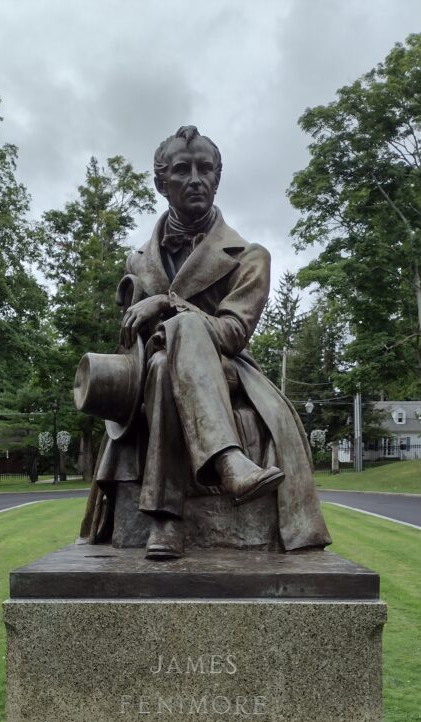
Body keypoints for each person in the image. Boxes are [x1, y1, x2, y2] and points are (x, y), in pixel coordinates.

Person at [81, 126, 331, 558]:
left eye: (206, 169)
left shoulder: (250, 256)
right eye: (182, 170)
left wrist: (166, 303)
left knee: (188, 328)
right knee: (161, 366)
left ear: (218, 177)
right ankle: (213, 479)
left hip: (229, 372)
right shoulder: (136, 261)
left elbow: (233, 332)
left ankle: (171, 515)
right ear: (162, 184)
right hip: (155, 374)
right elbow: (134, 346)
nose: (196, 178)